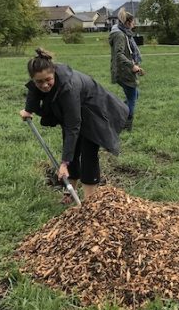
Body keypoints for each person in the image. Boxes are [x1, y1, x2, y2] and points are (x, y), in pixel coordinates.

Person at [20, 48, 129, 202]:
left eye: (48, 80)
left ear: (54, 73)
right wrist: (28, 110)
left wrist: (63, 163)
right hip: (74, 109)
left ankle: (89, 200)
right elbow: (34, 91)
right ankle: (71, 191)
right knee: (71, 146)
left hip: (94, 109)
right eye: (39, 81)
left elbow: (73, 126)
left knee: (88, 153)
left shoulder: (68, 87)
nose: (44, 85)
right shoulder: (41, 81)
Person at [110, 8, 144, 130]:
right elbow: (119, 55)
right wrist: (132, 65)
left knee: (134, 95)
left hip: (125, 70)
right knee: (132, 98)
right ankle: (125, 124)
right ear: (127, 22)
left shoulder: (124, 34)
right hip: (123, 71)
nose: (134, 24)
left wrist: (136, 66)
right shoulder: (120, 35)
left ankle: (118, 112)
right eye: (132, 22)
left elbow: (128, 53)